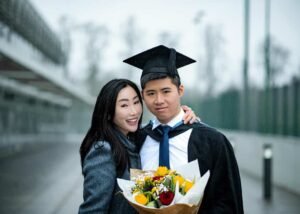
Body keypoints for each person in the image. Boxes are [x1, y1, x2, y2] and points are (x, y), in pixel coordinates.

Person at [123, 45, 244, 213]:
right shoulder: (136, 139)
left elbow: (227, 202)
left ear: (180, 90)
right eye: (151, 93)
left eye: (166, 91)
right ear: (142, 95)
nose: (159, 100)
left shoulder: (212, 141)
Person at [78, 78, 198, 213]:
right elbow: (93, 210)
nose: (134, 111)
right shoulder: (103, 150)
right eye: (124, 105)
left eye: (136, 102)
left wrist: (180, 113)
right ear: (108, 113)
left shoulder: (133, 138)